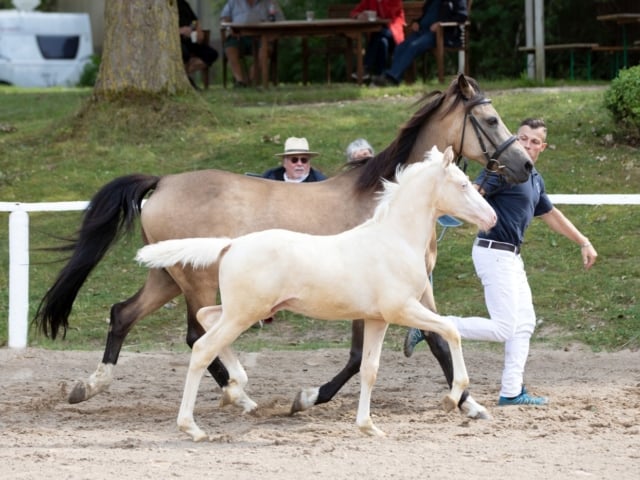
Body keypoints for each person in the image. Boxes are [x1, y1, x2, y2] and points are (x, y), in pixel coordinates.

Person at [404, 118, 598, 406]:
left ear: (542, 147)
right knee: (504, 328)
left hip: (511, 257)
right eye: (523, 138)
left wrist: (583, 240)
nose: (528, 144)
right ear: (514, 140)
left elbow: (551, 214)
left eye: (535, 141)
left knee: (525, 323)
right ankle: (431, 325)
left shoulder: (534, 179)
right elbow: (471, 194)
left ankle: (511, 391)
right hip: (493, 252)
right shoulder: (501, 170)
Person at [371, 0, 467, 86]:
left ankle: (391, 77)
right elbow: (424, 16)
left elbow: (462, 15)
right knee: (400, 47)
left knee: (414, 46)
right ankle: (394, 78)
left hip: (440, 34)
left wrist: (440, 23)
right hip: (422, 31)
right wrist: (416, 22)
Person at [220, 0, 285, 88]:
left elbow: (281, 21)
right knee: (230, 47)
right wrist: (229, 28)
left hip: (261, 36)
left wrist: (271, 35)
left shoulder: (269, 2)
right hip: (239, 36)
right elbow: (224, 19)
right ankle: (240, 81)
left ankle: (250, 80)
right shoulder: (233, 2)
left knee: (266, 50)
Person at [350, 0, 405, 78]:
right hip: (379, 36)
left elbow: (391, 15)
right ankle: (380, 74)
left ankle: (366, 67)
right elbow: (354, 12)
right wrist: (358, 16)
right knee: (382, 41)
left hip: (394, 34)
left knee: (378, 33)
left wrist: (380, 4)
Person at [177, 0, 219, 85]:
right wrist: (180, 31)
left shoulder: (184, 4)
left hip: (190, 39)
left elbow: (195, 21)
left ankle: (183, 75)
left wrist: (199, 30)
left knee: (211, 54)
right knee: (185, 54)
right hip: (176, 41)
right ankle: (186, 79)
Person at [262, 137, 327, 183]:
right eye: (294, 160)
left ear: (309, 163)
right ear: (285, 163)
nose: (299, 164)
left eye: (304, 160)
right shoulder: (270, 178)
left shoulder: (319, 182)